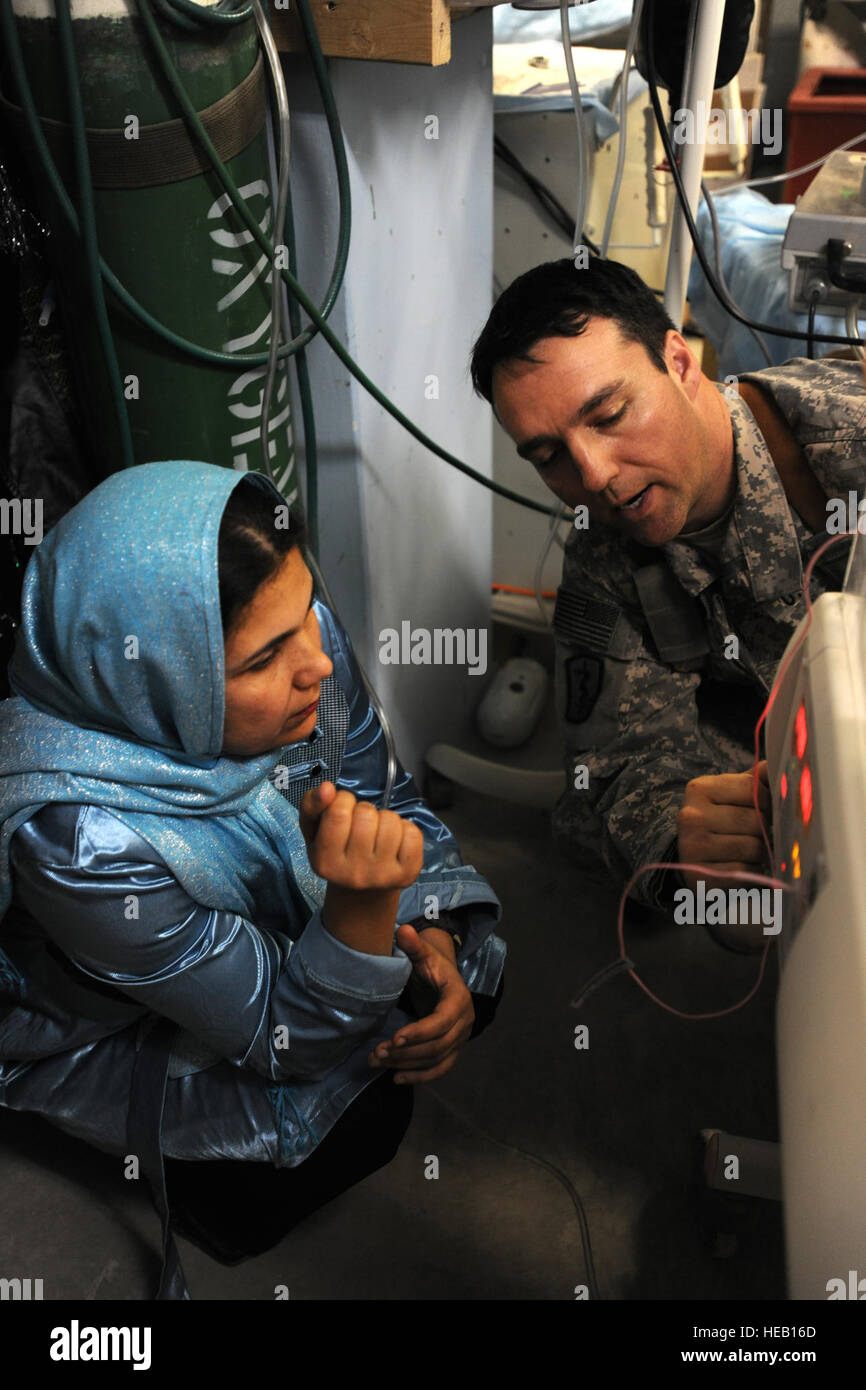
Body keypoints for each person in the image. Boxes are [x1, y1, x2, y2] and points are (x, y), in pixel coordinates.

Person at [0, 460, 504, 1293]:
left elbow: (389, 797)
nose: (320, 664)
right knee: (357, 1121)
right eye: (265, 657)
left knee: (459, 988)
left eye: (309, 614)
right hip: (112, 1018)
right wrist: (362, 903)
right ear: (159, 676)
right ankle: (209, 1203)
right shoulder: (80, 839)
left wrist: (439, 941)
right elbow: (284, 1039)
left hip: (268, 953)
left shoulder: (301, 649)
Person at [470, 255, 866, 929]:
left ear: (679, 364)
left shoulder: (846, 442)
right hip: (783, 712)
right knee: (591, 826)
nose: (592, 475)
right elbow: (614, 758)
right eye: (548, 456)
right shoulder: (603, 553)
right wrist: (688, 851)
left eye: (611, 413)